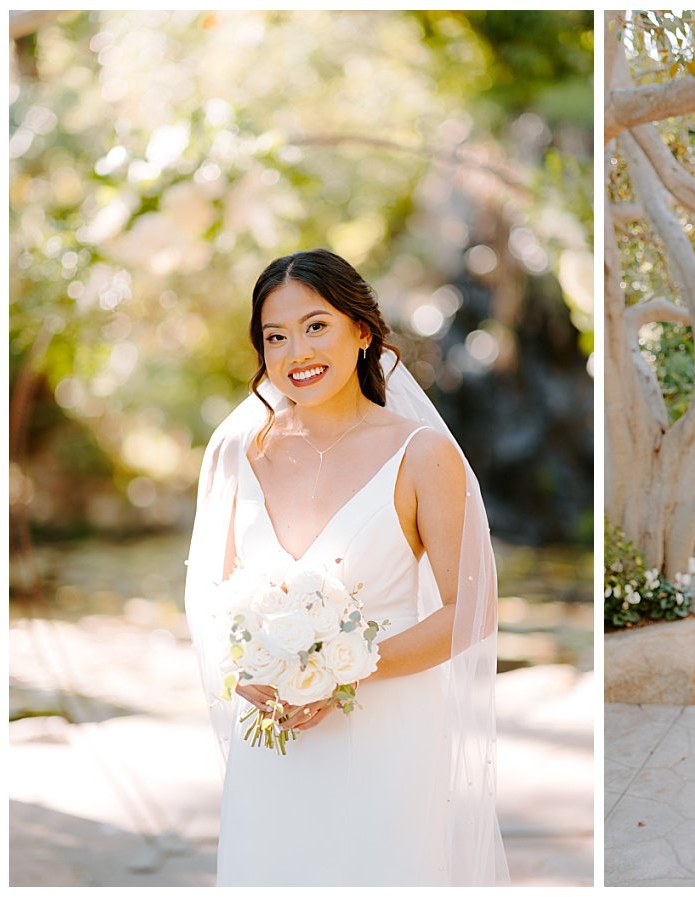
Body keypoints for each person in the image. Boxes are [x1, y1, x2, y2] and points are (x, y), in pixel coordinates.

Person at [184, 248, 508, 885]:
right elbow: (214, 595)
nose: (296, 352)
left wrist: (343, 673)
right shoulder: (238, 454)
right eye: (275, 337)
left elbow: (471, 610)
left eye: (315, 326)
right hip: (271, 732)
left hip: (386, 732)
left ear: (361, 331)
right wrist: (247, 668)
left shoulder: (422, 454)